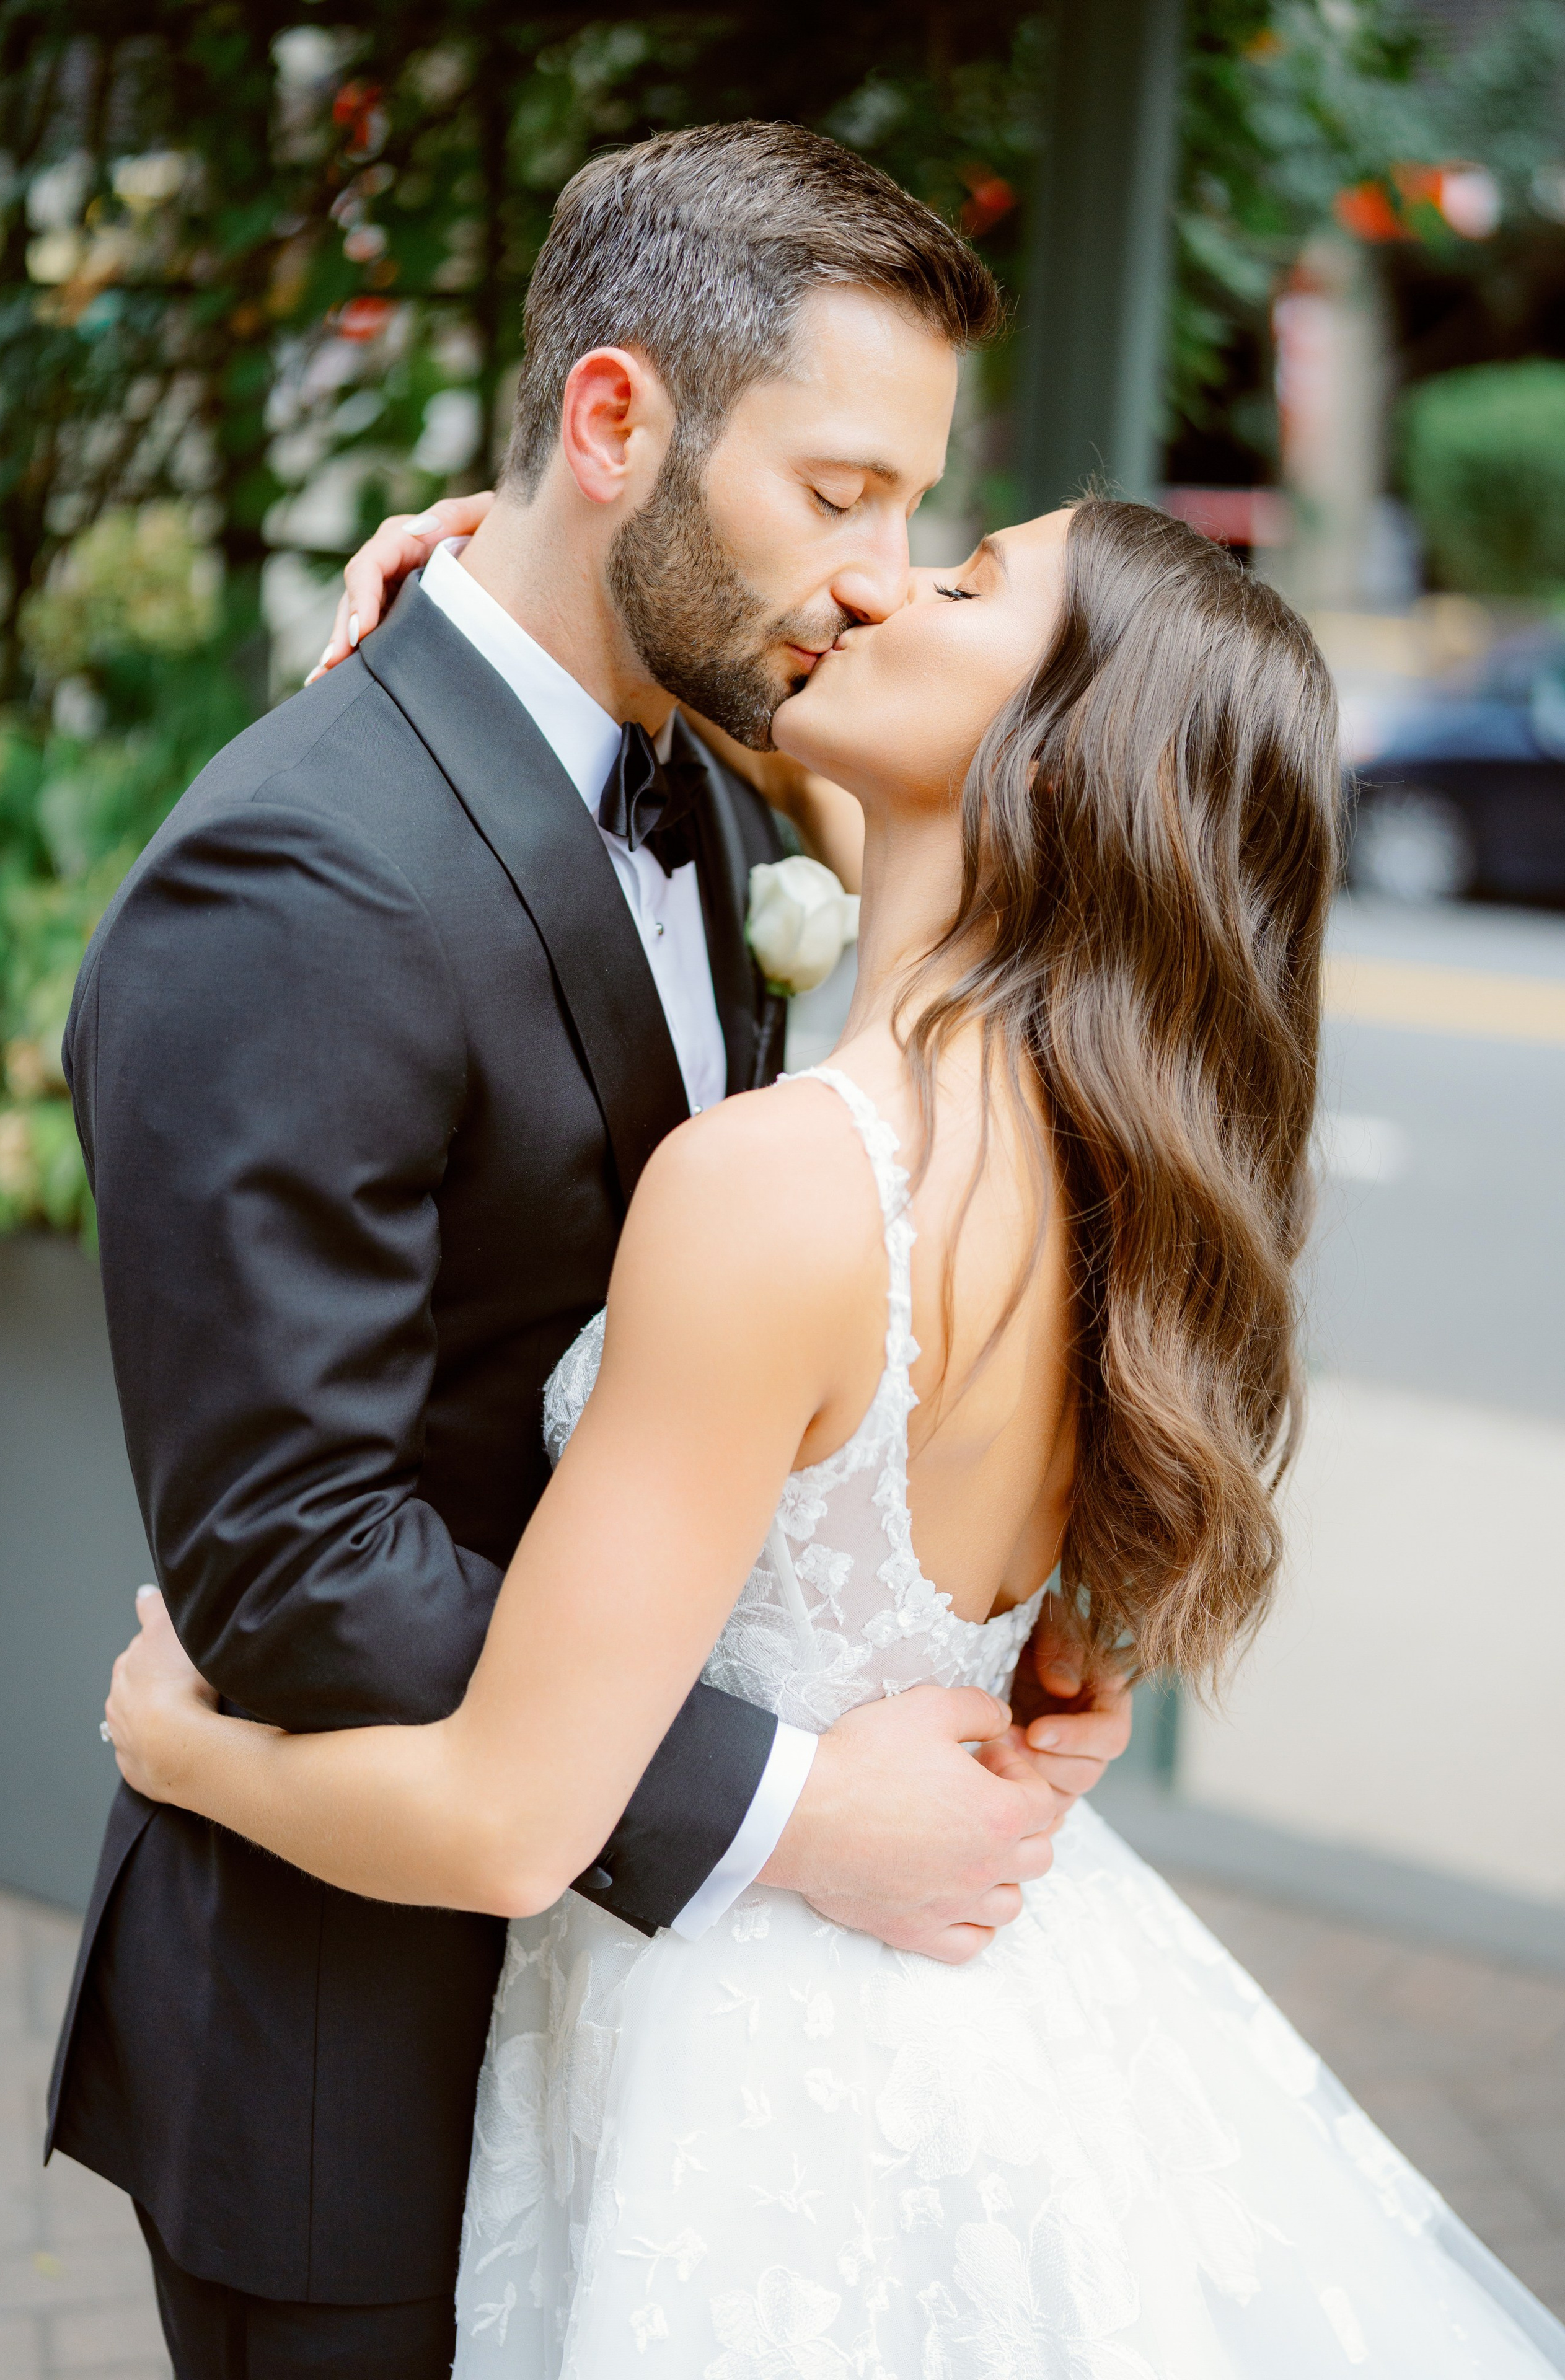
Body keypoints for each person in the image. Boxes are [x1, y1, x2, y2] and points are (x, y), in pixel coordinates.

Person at [105, 482, 1565, 2377]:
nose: (877, 579)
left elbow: (498, 1824)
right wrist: (518, 584)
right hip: (971, 2015)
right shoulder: (1113, 1171)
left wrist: (184, 1749)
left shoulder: (780, 1185)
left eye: (958, 581)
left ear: (1048, 776)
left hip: (735, 2093)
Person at [50, 123, 1132, 2380]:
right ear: (616, 420)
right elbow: (297, 1561)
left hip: (645, 2055)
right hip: (358, 2046)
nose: (877, 575)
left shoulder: (737, 778)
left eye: (917, 512)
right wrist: (799, 1802)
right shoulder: (298, 881)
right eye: (839, 494)